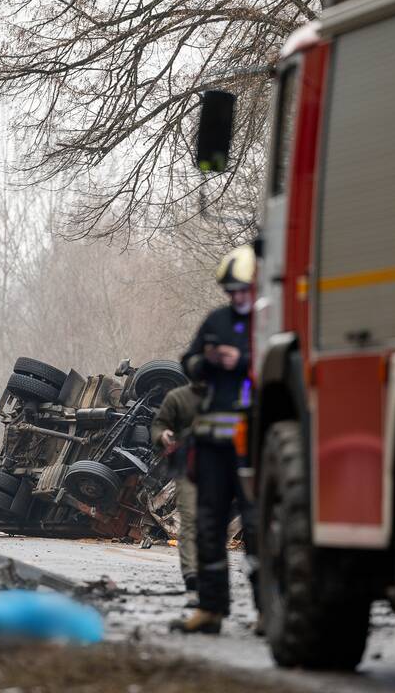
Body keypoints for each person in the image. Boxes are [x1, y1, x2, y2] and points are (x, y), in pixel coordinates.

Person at [171, 244, 259, 635]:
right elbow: (187, 362)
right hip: (211, 449)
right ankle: (210, 608)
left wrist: (239, 362)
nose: (237, 298)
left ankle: (267, 612)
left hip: (254, 446)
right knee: (208, 527)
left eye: (244, 290)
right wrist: (207, 361)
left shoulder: (270, 320)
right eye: (232, 291)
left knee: (258, 529)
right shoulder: (215, 321)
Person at [151, 381, 205, 607]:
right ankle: (193, 581)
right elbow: (159, 424)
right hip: (190, 467)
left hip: (231, 468)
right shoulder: (178, 397)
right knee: (190, 522)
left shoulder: (238, 390)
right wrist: (163, 435)